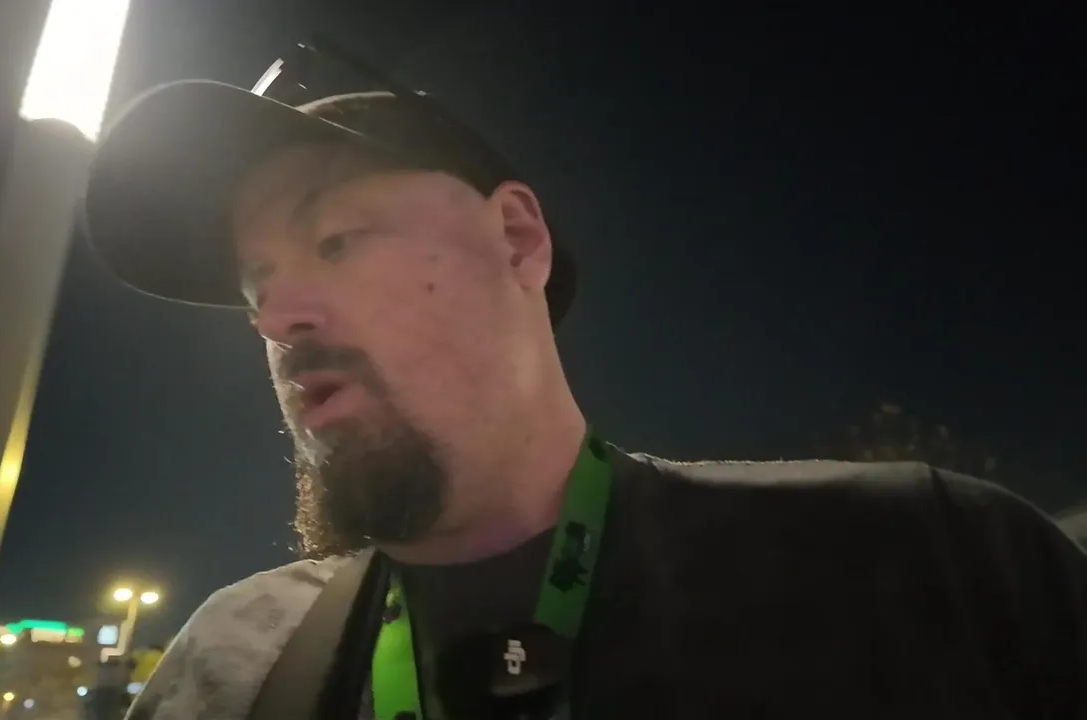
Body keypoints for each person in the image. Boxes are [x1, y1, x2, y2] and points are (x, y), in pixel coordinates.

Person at [81, 75, 1087, 719]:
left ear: (516, 238)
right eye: (254, 288)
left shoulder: (926, 563)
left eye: (334, 240)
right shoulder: (227, 665)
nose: (276, 317)